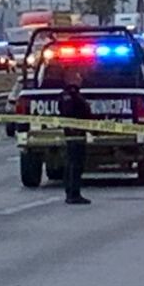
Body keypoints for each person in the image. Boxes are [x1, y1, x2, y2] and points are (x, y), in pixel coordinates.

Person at [58, 67, 93, 205]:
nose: (80, 79)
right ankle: (73, 193)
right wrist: (74, 129)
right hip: (74, 135)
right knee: (74, 165)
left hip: (78, 134)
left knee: (75, 164)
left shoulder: (74, 94)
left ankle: (73, 192)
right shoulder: (70, 95)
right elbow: (68, 113)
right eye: (77, 76)